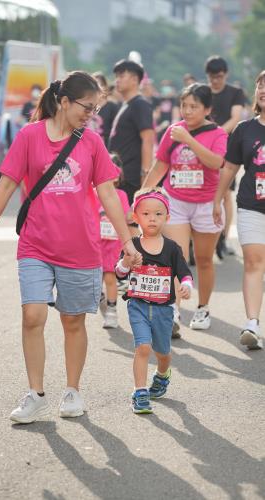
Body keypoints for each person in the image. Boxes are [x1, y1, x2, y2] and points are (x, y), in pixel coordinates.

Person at [0, 71, 141, 424]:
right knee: (32, 315)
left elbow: (108, 192)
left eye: (95, 109)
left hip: (80, 246)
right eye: (86, 107)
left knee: (72, 321)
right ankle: (35, 394)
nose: (90, 114)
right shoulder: (30, 136)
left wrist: (127, 239)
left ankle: (72, 390)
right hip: (36, 243)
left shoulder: (92, 142)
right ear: (64, 102)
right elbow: (6, 186)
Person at [143, 83, 228, 335]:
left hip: (206, 204)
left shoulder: (218, 134)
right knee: (176, 257)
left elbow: (216, 163)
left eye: (194, 106)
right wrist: (143, 193)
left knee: (203, 260)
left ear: (207, 109)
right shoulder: (173, 130)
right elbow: (160, 167)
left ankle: (202, 307)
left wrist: (188, 139)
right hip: (176, 201)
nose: (187, 111)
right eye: (184, 105)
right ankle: (174, 313)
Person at [116, 188, 192, 414]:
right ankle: (140, 392)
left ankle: (162, 374)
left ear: (167, 218)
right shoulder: (132, 246)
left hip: (163, 310)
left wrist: (186, 286)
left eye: (158, 214)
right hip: (138, 305)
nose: (152, 218)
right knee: (142, 347)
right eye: (146, 214)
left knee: (163, 353)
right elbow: (119, 273)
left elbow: (185, 273)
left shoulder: (172, 248)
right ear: (135, 217)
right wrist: (126, 264)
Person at [213, 70, 265, 350]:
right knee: (255, 262)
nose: (263, 90)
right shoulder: (245, 130)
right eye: (260, 85)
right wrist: (217, 200)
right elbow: (230, 168)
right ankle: (252, 323)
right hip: (251, 206)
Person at [205, 55, 246, 258]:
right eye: (212, 77)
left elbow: (236, 117)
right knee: (204, 192)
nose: (215, 81)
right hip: (202, 150)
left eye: (219, 77)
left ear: (226, 74)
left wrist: (216, 135)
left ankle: (223, 237)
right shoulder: (202, 93)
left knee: (225, 194)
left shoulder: (235, 93)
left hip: (227, 150)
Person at [109, 59, 154, 207]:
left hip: (132, 179)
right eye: (116, 77)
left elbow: (148, 139)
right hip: (120, 177)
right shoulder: (126, 104)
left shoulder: (140, 104)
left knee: (131, 226)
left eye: (121, 76)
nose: (117, 80)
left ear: (135, 79)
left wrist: (145, 178)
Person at [97, 153, 131, 329]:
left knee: (110, 278)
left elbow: (126, 216)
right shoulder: (92, 193)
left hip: (112, 245)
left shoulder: (121, 195)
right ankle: (100, 299)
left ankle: (111, 311)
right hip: (94, 246)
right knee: (93, 281)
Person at [88, 72, 119, 147]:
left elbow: (117, 131)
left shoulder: (112, 107)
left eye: (100, 84)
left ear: (105, 87)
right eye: (94, 85)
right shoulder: (86, 106)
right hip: (88, 145)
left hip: (106, 147)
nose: (97, 88)